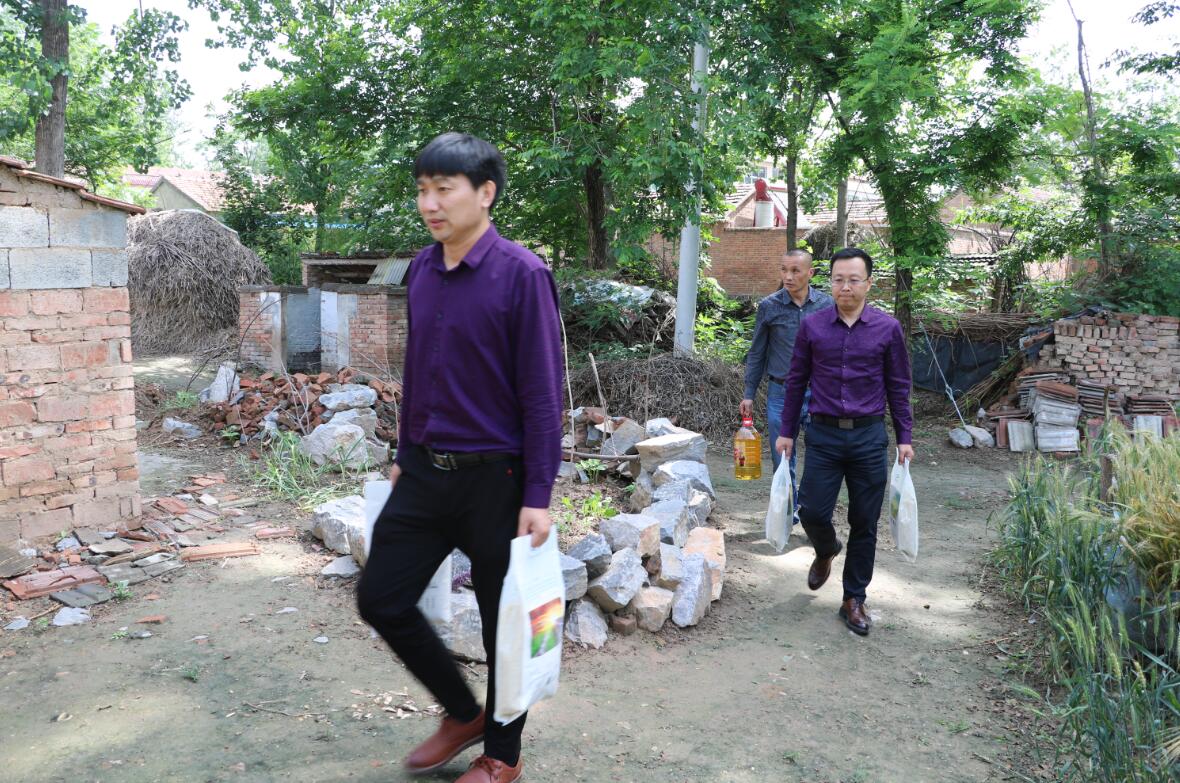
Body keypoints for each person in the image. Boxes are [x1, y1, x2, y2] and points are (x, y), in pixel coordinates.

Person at [356, 132, 563, 783]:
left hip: (497, 481)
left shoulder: (522, 275)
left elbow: (543, 393)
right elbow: (418, 369)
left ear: (485, 192)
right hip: (424, 469)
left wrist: (539, 492)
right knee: (381, 597)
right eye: (423, 189)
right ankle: (463, 711)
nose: (430, 203)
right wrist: (403, 450)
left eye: (443, 188)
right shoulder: (421, 269)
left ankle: (502, 754)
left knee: (507, 623)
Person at [774, 247, 914, 637]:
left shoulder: (887, 329)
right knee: (812, 511)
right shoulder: (813, 327)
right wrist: (786, 432)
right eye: (838, 279)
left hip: (869, 437)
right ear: (830, 282)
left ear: (869, 283)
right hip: (823, 435)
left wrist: (905, 437)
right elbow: (795, 382)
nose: (845, 287)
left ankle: (854, 598)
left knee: (864, 521)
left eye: (854, 280)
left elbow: (899, 386)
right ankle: (825, 549)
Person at [741, 249, 833, 511]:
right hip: (780, 392)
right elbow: (757, 352)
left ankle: (812, 512)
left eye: (795, 271)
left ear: (810, 273)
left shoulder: (827, 306)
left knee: (821, 457)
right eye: (784, 270)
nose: (788, 276)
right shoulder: (769, 306)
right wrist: (749, 393)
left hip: (819, 394)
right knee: (782, 455)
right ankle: (787, 512)